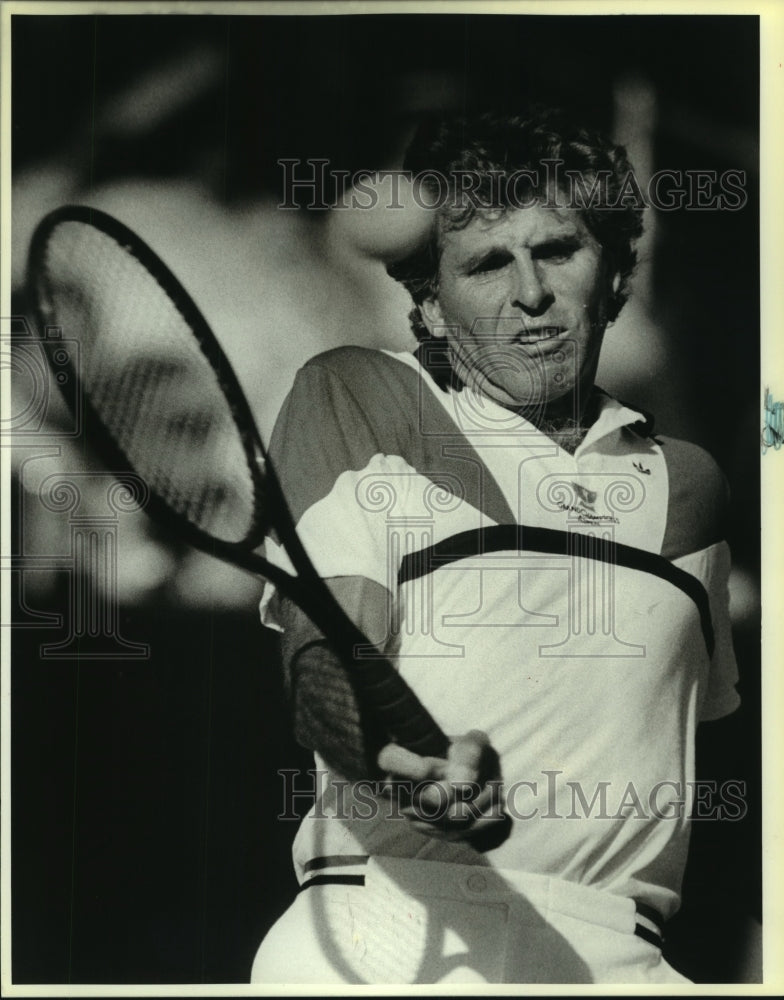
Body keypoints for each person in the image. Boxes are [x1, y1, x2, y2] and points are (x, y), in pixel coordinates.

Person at [250, 109, 740, 984]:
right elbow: (326, 665)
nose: (531, 294)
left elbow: (695, 746)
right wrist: (402, 764)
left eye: (557, 250)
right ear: (432, 305)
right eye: (486, 263)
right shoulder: (359, 394)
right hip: (387, 927)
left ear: (617, 273)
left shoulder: (692, 487)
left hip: (624, 954)